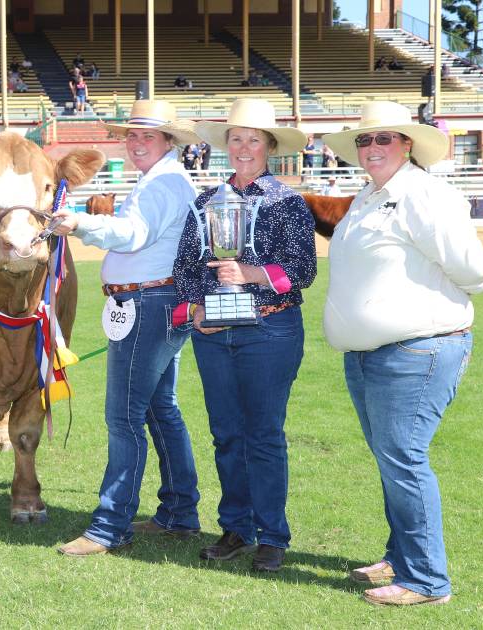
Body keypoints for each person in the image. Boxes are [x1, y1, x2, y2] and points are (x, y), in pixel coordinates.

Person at [321, 101, 483, 606]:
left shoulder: (425, 195)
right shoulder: (369, 196)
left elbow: (475, 272)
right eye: (364, 140)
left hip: (417, 349)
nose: (372, 148)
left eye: (383, 138)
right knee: (392, 458)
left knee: (403, 458)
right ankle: (401, 557)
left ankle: (426, 580)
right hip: (372, 354)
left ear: (407, 144)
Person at [51, 100, 204, 556]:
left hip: (148, 302)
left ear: (168, 141)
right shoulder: (164, 179)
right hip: (158, 300)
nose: (137, 144)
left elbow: (134, 234)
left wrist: (79, 223)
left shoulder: (161, 184)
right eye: (132, 136)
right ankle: (179, 510)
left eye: (147, 136)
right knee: (160, 410)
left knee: (124, 417)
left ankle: (110, 525)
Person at [172, 97, 316, 573]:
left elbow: (302, 270)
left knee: (264, 435)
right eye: (236, 138)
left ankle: (272, 533)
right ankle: (236, 526)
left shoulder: (288, 202)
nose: (244, 146)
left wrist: (250, 274)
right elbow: (187, 267)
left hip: (269, 330)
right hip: (215, 332)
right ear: (226, 145)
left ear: (269, 146)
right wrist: (197, 308)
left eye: (254, 139)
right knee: (226, 434)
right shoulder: (205, 203)